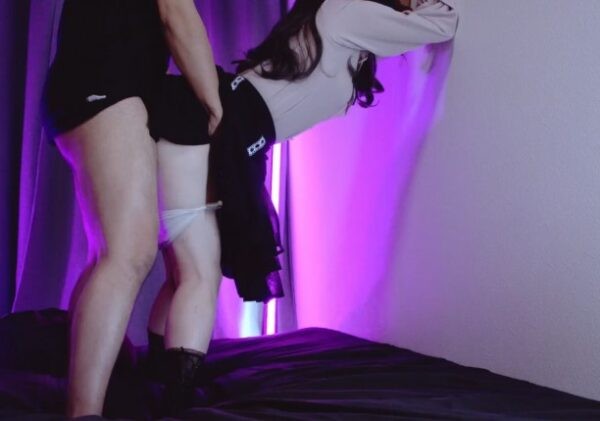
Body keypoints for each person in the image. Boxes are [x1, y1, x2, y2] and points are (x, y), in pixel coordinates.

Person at [145, 0, 458, 411]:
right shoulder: (347, 12)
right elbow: (443, 23)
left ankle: (156, 379)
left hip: (240, 131)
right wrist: (422, 7)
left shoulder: (349, 28)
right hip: (226, 123)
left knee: (185, 270)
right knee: (198, 272)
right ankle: (175, 402)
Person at [41, 0, 222, 416]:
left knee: (108, 255)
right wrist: (214, 106)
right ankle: (83, 412)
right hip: (105, 85)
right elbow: (176, 15)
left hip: (90, 85)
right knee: (128, 255)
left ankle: (91, 389)